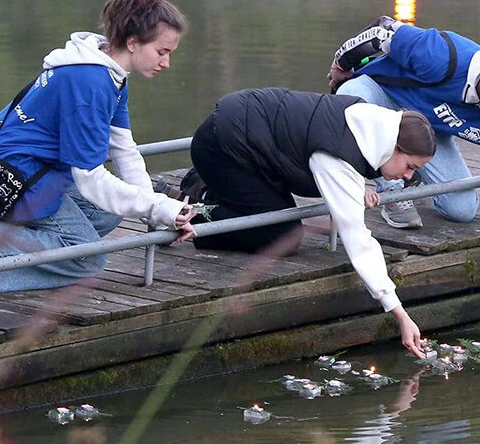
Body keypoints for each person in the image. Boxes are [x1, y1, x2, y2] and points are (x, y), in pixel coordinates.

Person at [0, 0, 196, 293]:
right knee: (87, 258)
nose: (166, 63)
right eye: (161, 52)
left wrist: (158, 210)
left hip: (22, 165)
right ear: (133, 42)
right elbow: (90, 177)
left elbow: (124, 150)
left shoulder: (111, 74)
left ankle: (19, 235)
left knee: (111, 209)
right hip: (11, 174)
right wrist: (159, 208)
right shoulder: (90, 82)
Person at [184, 87, 435, 357]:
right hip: (221, 146)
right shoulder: (336, 157)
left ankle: (202, 185)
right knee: (280, 234)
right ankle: (196, 208)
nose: (408, 177)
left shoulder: (371, 122)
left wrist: (357, 183)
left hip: (250, 140)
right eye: (410, 167)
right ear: (394, 148)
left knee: (277, 219)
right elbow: (358, 241)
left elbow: (345, 154)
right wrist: (399, 313)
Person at [327, 16, 480, 303]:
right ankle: (392, 192)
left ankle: (409, 175)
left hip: (426, 132)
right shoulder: (441, 55)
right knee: (349, 97)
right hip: (381, 98)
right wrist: (341, 65)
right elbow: (382, 30)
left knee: (462, 209)